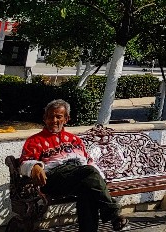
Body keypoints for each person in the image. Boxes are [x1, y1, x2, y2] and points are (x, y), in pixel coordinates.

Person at [20, 99, 126, 232]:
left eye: (58, 116)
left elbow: (88, 160)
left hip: (78, 177)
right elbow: (24, 162)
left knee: (88, 190)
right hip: (53, 179)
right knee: (89, 175)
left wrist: (100, 179)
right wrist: (34, 166)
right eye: (50, 116)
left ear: (66, 119)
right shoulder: (35, 140)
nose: (54, 120)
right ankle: (113, 213)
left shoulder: (74, 139)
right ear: (44, 118)